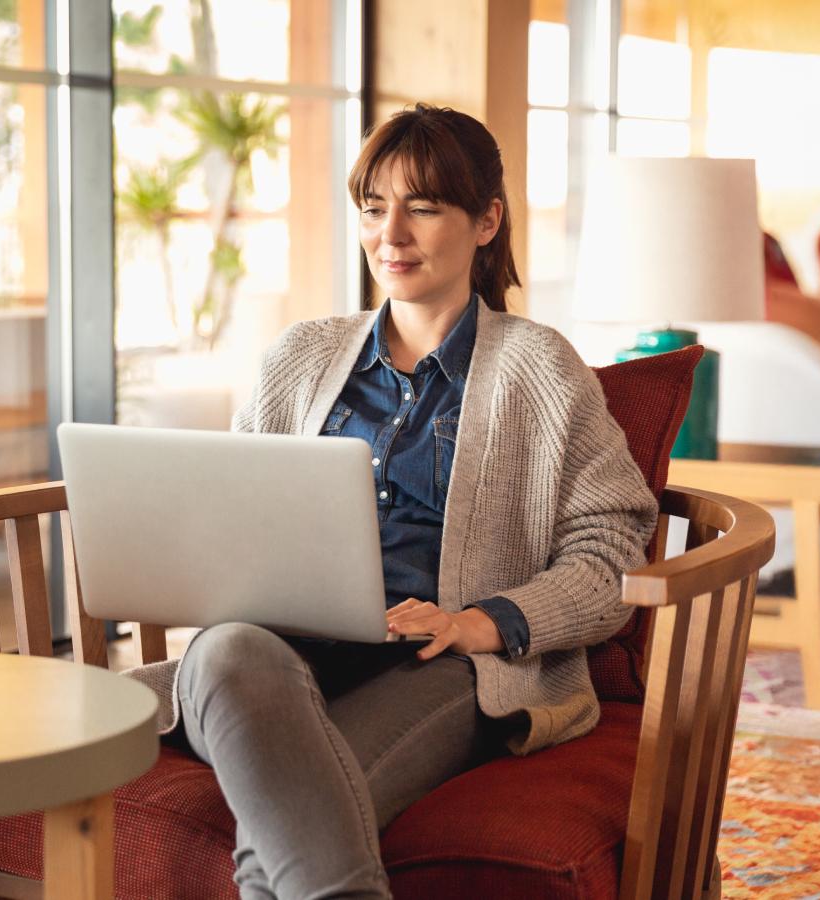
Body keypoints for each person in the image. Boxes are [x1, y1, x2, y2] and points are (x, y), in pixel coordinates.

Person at [128, 103, 657, 900]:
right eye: (374, 208)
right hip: (270, 657)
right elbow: (230, 516)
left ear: (486, 222)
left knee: (288, 826)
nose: (391, 234)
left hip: (439, 664)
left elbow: (612, 557)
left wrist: (478, 622)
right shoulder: (299, 355)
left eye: (424, 208)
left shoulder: (542, 369)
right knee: (229, 652)